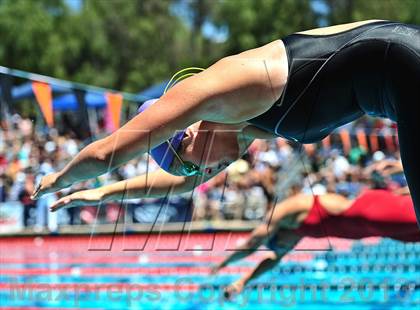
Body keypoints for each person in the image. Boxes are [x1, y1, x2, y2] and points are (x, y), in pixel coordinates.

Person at [31, 20, 420, 225]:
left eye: (191, 161)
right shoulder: (247, 125)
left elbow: (105, 155)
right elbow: (183, 185)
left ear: (184, 131)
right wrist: (102, 195)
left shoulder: (222, 90)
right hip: (402, 85)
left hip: (405, 67)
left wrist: (58, 179)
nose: (204, 171)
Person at [210, 189, 420, 298]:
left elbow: (253, 242)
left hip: (371, 212)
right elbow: (273, 260)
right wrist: (243, 281)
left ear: (277, 235)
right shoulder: (295, 233)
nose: (285, 249)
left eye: (281, 246)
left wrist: (223, 264)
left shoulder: (286, 211)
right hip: (377, 227)